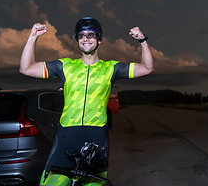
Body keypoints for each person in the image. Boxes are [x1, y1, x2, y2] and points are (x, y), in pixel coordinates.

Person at [19, 17, 154, 186]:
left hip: (96, 135)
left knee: (94, 184)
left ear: (99, 39)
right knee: (53, 183)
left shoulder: (111, 68)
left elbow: (147, 68)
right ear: (77, 40)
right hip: (67, 134)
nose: (86, 39)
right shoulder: (65, 66)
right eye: (81, 35)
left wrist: (142, 40)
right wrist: (33, 37)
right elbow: (26, 68)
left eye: (91, 35)